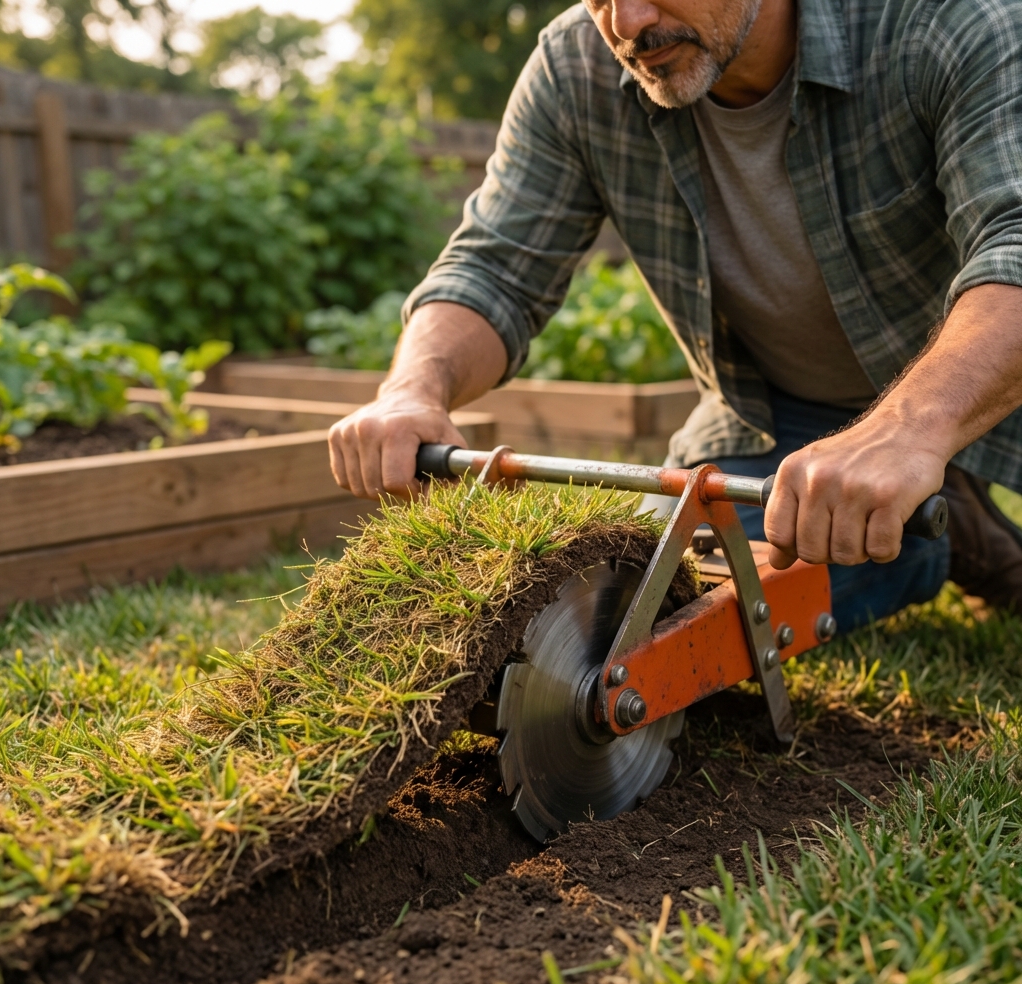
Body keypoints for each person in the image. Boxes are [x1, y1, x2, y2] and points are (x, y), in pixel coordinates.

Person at [328, 0, 1022, 631]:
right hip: (794, 422)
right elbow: (495, 267)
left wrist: (908, 433)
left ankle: (932, 488)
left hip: (986, 388)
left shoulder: (950, 22)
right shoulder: (574, 70)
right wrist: (411, 391)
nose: (628, 23)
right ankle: (941, 529)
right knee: (653, 596)